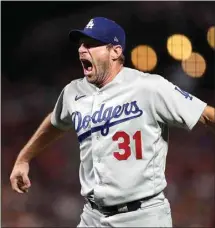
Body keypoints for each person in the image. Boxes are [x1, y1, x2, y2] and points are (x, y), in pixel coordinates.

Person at [10, 17, 215, 227]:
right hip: (93, 216)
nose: (82, 49)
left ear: (115, 52)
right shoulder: (73, 92)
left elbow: (207, 115)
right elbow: (55, 122)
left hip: (142, 216)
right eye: (81, 44)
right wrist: (23, 159)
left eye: (91, 44)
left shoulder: (149, 87)